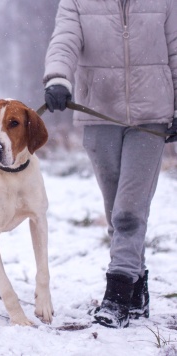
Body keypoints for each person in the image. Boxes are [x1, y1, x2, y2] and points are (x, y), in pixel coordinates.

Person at [43, 0, 177, 328]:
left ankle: (117, 296)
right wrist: (58, 78)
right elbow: (65, 39)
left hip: (151, 115)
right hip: (97, 113)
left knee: (129, 211)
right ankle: (137, 287)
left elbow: (175, 47)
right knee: (116, 209)